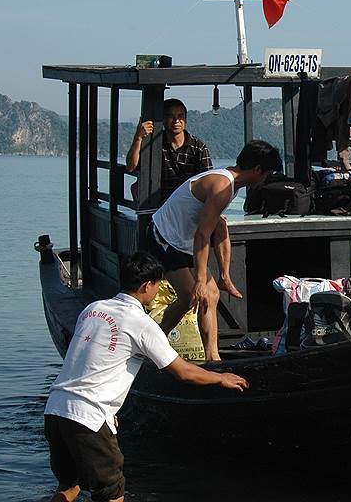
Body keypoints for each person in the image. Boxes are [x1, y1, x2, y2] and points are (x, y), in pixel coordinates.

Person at [43, 251, 249, 502]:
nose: (158, 291)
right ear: (145, 286)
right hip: (88, 416)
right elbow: (182, 372)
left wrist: (110, 410)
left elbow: (95, 359)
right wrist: (220, 378)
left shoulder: (93, 309)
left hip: (55, 409)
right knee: (111, 493)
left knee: (69, 487)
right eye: (158, 285)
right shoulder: (140, 322)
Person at [143, 140, 282, 361]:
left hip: (184, 241)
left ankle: (212, 358)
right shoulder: (222, 186)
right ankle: (150, 347)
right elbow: (202, 234)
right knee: (190, 295)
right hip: (164, 236)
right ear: (257, 170)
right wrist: (199, 279)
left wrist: (224, 276)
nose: (266, 179)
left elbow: (220, 227)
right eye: (267, 173)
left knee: (212, 294)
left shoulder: (231, 184)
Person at [126, 98, 240, 304]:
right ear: (164, 119)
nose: (176, 121)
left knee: (220, 223)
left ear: (186, 120)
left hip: (192, 208)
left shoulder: (197, 147)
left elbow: (210, 179)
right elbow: (132, 166)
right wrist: (138, 138)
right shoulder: (155, 146)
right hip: (165, 213)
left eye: (180, 117)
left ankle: (225, 277)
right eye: (170, 116)